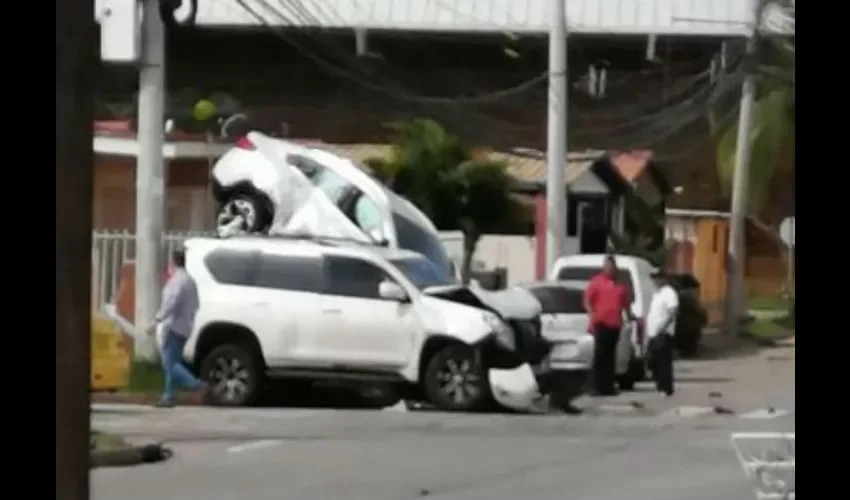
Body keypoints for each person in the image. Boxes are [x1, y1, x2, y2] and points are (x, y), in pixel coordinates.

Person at [146, 248, 206, 407]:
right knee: (173, 361)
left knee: (169, 364)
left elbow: (170, 304)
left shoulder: (177, 281)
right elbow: (197, 304)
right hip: (185, 327)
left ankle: (197, 385)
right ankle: (168, 396)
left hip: (173, 327)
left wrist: (156, 320)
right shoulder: (190, 281)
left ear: (173, 263)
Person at [583, 255, 629, 396]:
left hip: (614, 324)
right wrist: (593, 315)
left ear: (615, 268)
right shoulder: (596, 282)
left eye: (612, 266)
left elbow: (625, 304)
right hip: (600, 323)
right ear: (603, 267)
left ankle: (608, 387)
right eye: (607, 266)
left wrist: (627, 318)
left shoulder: (620, 284)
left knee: (610, 356)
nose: (609, 269)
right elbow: (587, 301)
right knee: (600, 356)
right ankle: (596, 387)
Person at [645, 269, 679, 396]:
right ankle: (660, 385)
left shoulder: (669, 293)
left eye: (657, 277)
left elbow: (672, 312)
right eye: (653, 278)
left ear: (663, 278)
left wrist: (663, 327)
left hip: (664, 333)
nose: (655, 280)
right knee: (653, 361)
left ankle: (666, 387)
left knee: (663, 362)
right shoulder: (657, 294)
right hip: (653, 333)